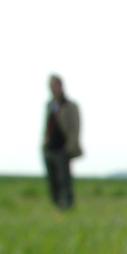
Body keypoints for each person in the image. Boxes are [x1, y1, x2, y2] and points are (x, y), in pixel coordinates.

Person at [43, 75, 83, 209]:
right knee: (52, 180)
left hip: (62, 148)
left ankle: (67, 206)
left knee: (64, 179)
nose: (52, 88)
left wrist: (69, 147)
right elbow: (47, 124)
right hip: (49, 148)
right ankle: (57, 206)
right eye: (50, 85)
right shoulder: (50, 105)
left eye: (54, 85)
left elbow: (75, 127)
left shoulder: (70, 106)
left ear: (60, 86)